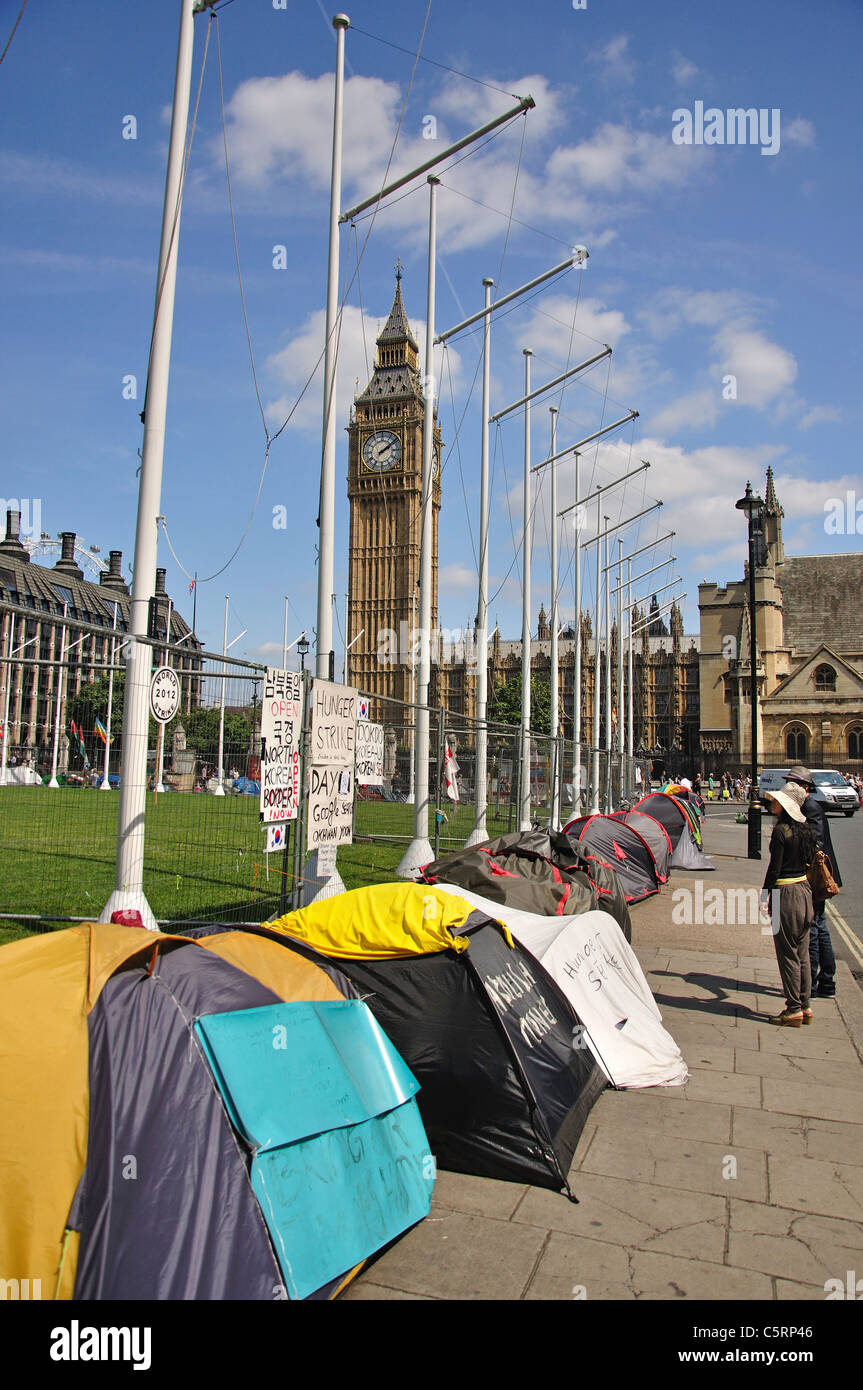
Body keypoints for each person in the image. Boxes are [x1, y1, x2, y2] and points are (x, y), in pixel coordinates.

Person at [784, 765, 842, 999]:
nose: (788, 787)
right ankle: (825, 981)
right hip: (813, 876)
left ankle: (820, 981)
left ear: (805, 787)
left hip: (816, 878)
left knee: (816, 928)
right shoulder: (805, 806)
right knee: (819, 926)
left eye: (792, 783)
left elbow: (815, 845)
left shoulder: (811, 807)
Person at [762, 788, 818, 1026]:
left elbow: (774, 869)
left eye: (776, 800)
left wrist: (765, 895)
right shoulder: (806, 831)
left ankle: (792, 1008)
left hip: (785, 893)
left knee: (787, 954)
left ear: (784, 807)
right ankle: (805, 1006)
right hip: (805, 891)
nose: (772, 802)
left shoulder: (780, 832)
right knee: (802, 952)